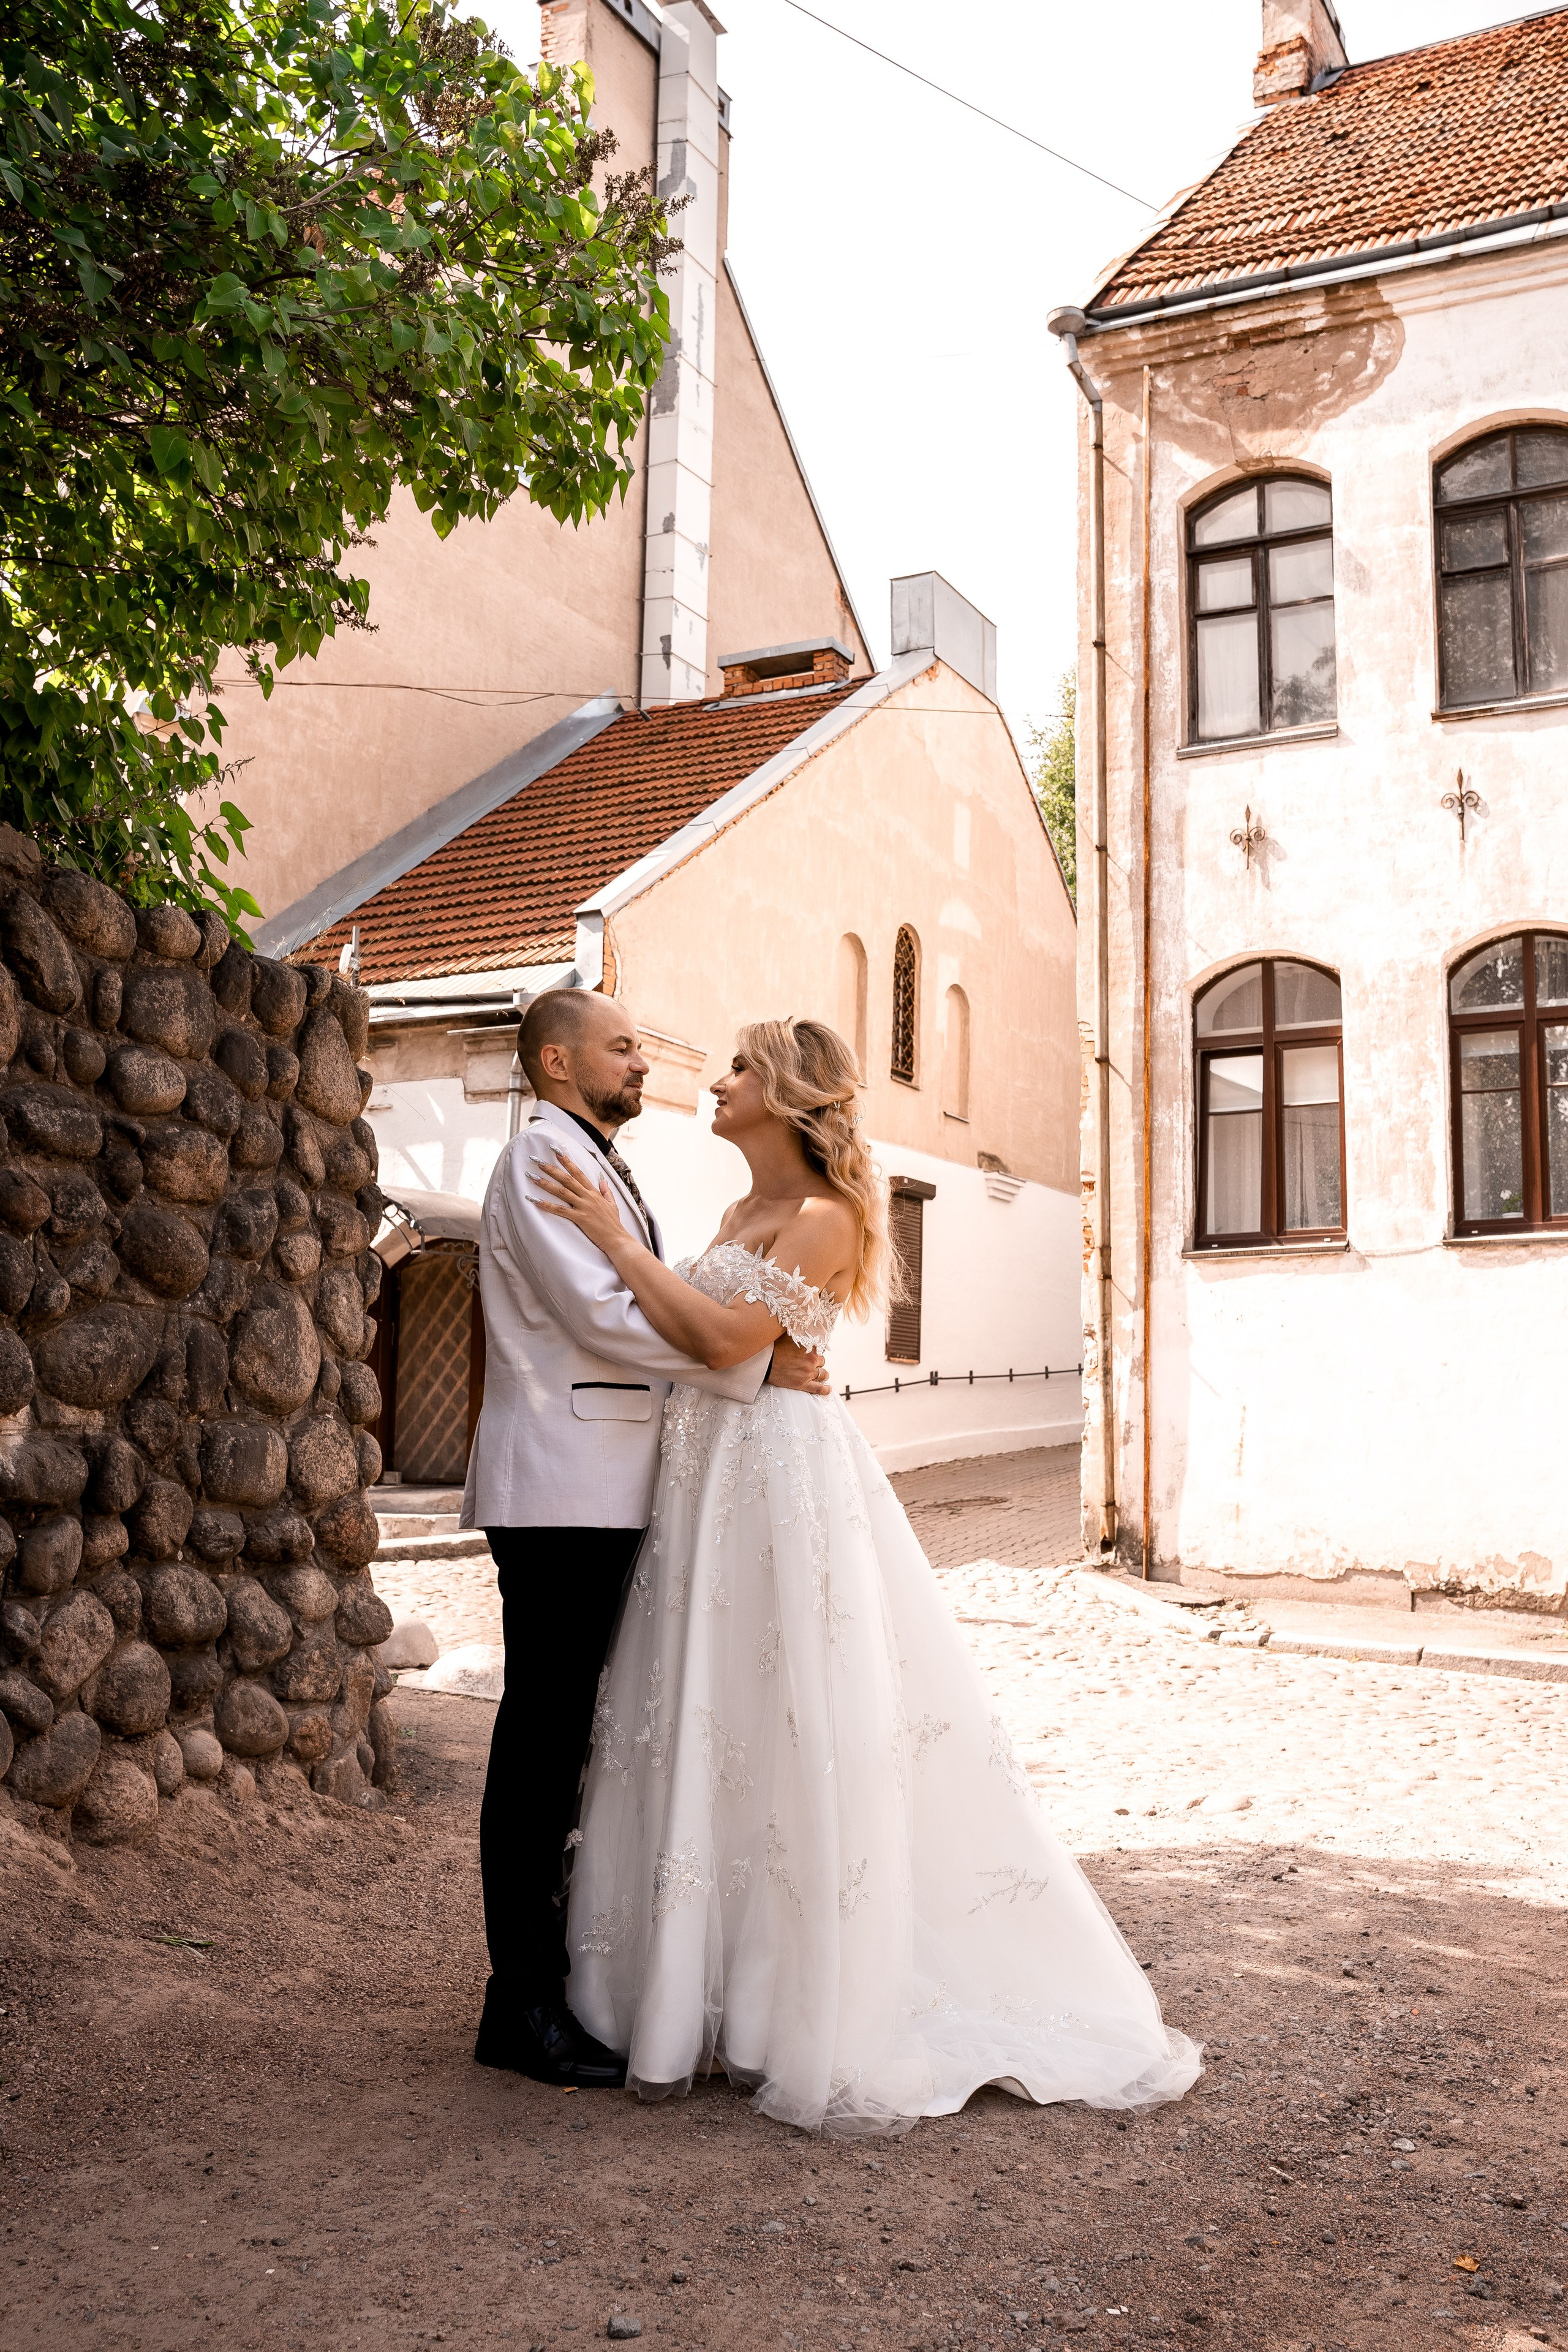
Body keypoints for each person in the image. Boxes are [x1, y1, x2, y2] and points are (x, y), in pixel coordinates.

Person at [532, 1016, 1201, 2137]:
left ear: (789, 1095)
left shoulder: (828, 1216)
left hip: (777, 1479)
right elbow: (712, 1341)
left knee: (786, 1711)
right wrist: (705, 1322)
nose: (718, 1080)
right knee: (707, 1707)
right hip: (706, 1478)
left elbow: (718, 1341)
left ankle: (788, 2003)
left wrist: (612, 1239)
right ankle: (700, 1990)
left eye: (740, 1068)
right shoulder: (737, 1212)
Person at [460, 989, 831, 2089]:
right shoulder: (543, 1157)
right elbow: (603, 1318)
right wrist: (752, 1364)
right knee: (542, 1742)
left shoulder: (594, 1161)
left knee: (578, 1737)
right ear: (557, 1062)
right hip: (562, 1487)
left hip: (609, 1486)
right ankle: (519, 2005)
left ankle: (568, 1982)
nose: (644, 1064)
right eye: (622, 1048)